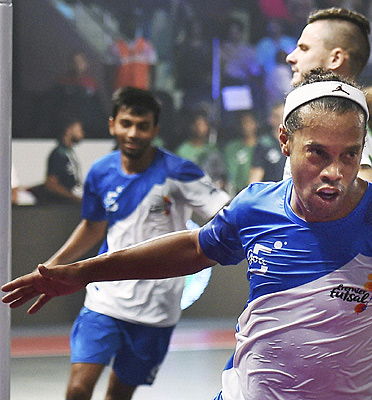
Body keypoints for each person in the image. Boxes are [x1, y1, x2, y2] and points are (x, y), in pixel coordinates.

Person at [2, 70, 372, 400]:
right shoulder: (255, 206)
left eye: (349, 155)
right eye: (317, 154)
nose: (335, 172)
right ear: (286, 142)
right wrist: (82, 272)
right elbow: (192, 249)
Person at [17, 87, 230, 400]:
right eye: (126, 123)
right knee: (77, 390)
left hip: (157, 310)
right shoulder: (100, 171)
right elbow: (92, 226)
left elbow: (227, 214)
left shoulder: (180, 172)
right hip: (104, 300)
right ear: (112, 125)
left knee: (117, 395)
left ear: (155, 130)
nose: (133, 133)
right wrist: (52, 266)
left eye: (142, 126)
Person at [283, 7, 372, 185]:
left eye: (304, 49)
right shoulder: (345, 124)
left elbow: (363, 194)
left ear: (336, 58)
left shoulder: (344, 127)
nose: (290, 57)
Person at [29, 116, 85, 205]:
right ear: (69, 130)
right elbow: (51, 183)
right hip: (63, 205)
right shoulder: (58, 154)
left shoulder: (69, 153)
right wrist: (73, 198)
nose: (82, 133)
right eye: (79, 129)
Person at [248, 103, 286, 184]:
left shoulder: (294, 141)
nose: (280, 119)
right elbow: (256, 174)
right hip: (273, 190)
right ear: (270, 119)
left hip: (292, 189)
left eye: (283, 115)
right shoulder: (264, 144)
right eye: (276, 116)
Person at [224, 111, 258, 195]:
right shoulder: (231, 148)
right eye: (243, 123)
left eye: (249, 122)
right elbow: (229, 173)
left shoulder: (263, 146)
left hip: (259, 192)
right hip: (238, 192)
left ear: (256, 124)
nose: (246, 126)